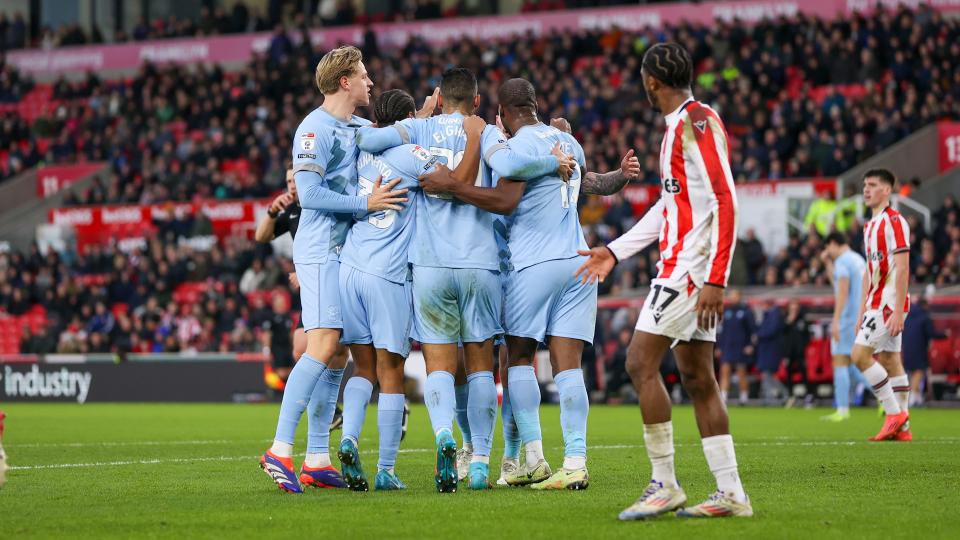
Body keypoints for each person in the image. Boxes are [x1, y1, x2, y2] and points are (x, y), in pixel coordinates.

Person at [358, 68, 569, 492]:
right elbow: (515, 165)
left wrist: (415, 119)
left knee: (438, 364)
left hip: (431, 266)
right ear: (476, 102)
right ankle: (478, 466)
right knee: (479, 368)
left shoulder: (418, 129)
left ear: (440, 98)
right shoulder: (488, 133)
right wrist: (555, 159)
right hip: (481, 266)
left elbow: (366, 140)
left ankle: (444, 439)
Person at [573, 43, 753, 518]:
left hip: (691, 271)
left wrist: (716, 278)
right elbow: (669, 208)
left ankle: (664, 483)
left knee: (638, 363)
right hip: (688, 269)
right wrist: (615, 250)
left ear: (651, 81)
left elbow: (726, 199)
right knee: (698, 378)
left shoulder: (695, 123)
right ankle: (731, 493)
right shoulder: (679, 128)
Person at [259, 45, 408, 494]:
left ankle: (318, 459)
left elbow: (400, 129)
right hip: (322, 250)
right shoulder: (313, 129)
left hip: (345, 255)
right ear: (344, 81)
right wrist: (367, 203)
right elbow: (308, 193)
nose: (370, 82)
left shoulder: (357, 127)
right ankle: (279, 449)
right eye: (363, 75)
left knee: (338, 352)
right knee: (321, 345)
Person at [335, 90, 485, 492]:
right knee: (391, 374)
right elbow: (452, 181)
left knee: (362, 369)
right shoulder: (410, 152)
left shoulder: (359, 152)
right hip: (388, 274)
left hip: (349, 267)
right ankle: (385, 470)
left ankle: (348, 439)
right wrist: (469, 137)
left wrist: (421, 114)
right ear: (405, 122)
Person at [253, 169, 346, 427]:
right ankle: (331, 411)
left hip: (329, 282)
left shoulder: (319, 205)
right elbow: (261, 237)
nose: (292, 186)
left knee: (339, 351)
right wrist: (272, 211)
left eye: (295, 180)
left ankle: (391, 398)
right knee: (300, 348)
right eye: (288, 182)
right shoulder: (292, 210)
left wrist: (306, 272)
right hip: (311, 288)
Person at [850, 168, 912, 442]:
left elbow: (903, 267)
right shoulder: (869, 225)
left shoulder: (895, 221)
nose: (866, 189)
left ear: (886, 190)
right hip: (875, 303)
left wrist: (898, 310)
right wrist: (862, 309)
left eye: (872, 185)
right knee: (890, 360)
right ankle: (904, 430)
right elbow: (869, 271)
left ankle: (893, 414)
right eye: (865, 185)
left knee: (859, 356)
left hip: (888, 304)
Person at [820, 232, 869, 421]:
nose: (827, 252)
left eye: (827, 247)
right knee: (855, 363)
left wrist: (835, 320)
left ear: (833, 243)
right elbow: (839, 284)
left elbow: (842, 293)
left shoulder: (842, 262)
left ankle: (842, 409)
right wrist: (827, 264)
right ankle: (883, 395)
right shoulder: (858, 259)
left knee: (840, 361)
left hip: (847, 318)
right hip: (860, 316)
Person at [901, 297, 946, 407]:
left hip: (907, 348)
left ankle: (916, 397)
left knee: (912, 373)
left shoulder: (907, 316)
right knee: (919, 372)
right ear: (925, 305)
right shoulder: (925, 317)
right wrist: (944, 334)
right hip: (919, 349)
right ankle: (912, 398)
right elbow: (931, 333)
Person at [718, 289, 756, 406]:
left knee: (741, 373)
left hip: (741, 347)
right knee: (725, 372)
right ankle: (723, 398)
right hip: (728, 347)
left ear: (740, 296)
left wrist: (750, 345)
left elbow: (752, 330)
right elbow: (721, 331)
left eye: (734, 295)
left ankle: (743, 398)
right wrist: (719, 346)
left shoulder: (746, 311)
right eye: (730, 296)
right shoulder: (726, 311)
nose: (731, 298)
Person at [756, 301, 786, 404]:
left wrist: (759, 335)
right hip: (767, 350)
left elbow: (771, 330)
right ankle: (773, 397)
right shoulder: (769, 315)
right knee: (767, 374)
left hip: (771, 350)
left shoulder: (774, 315)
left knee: (767, 374)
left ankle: (776, 397)